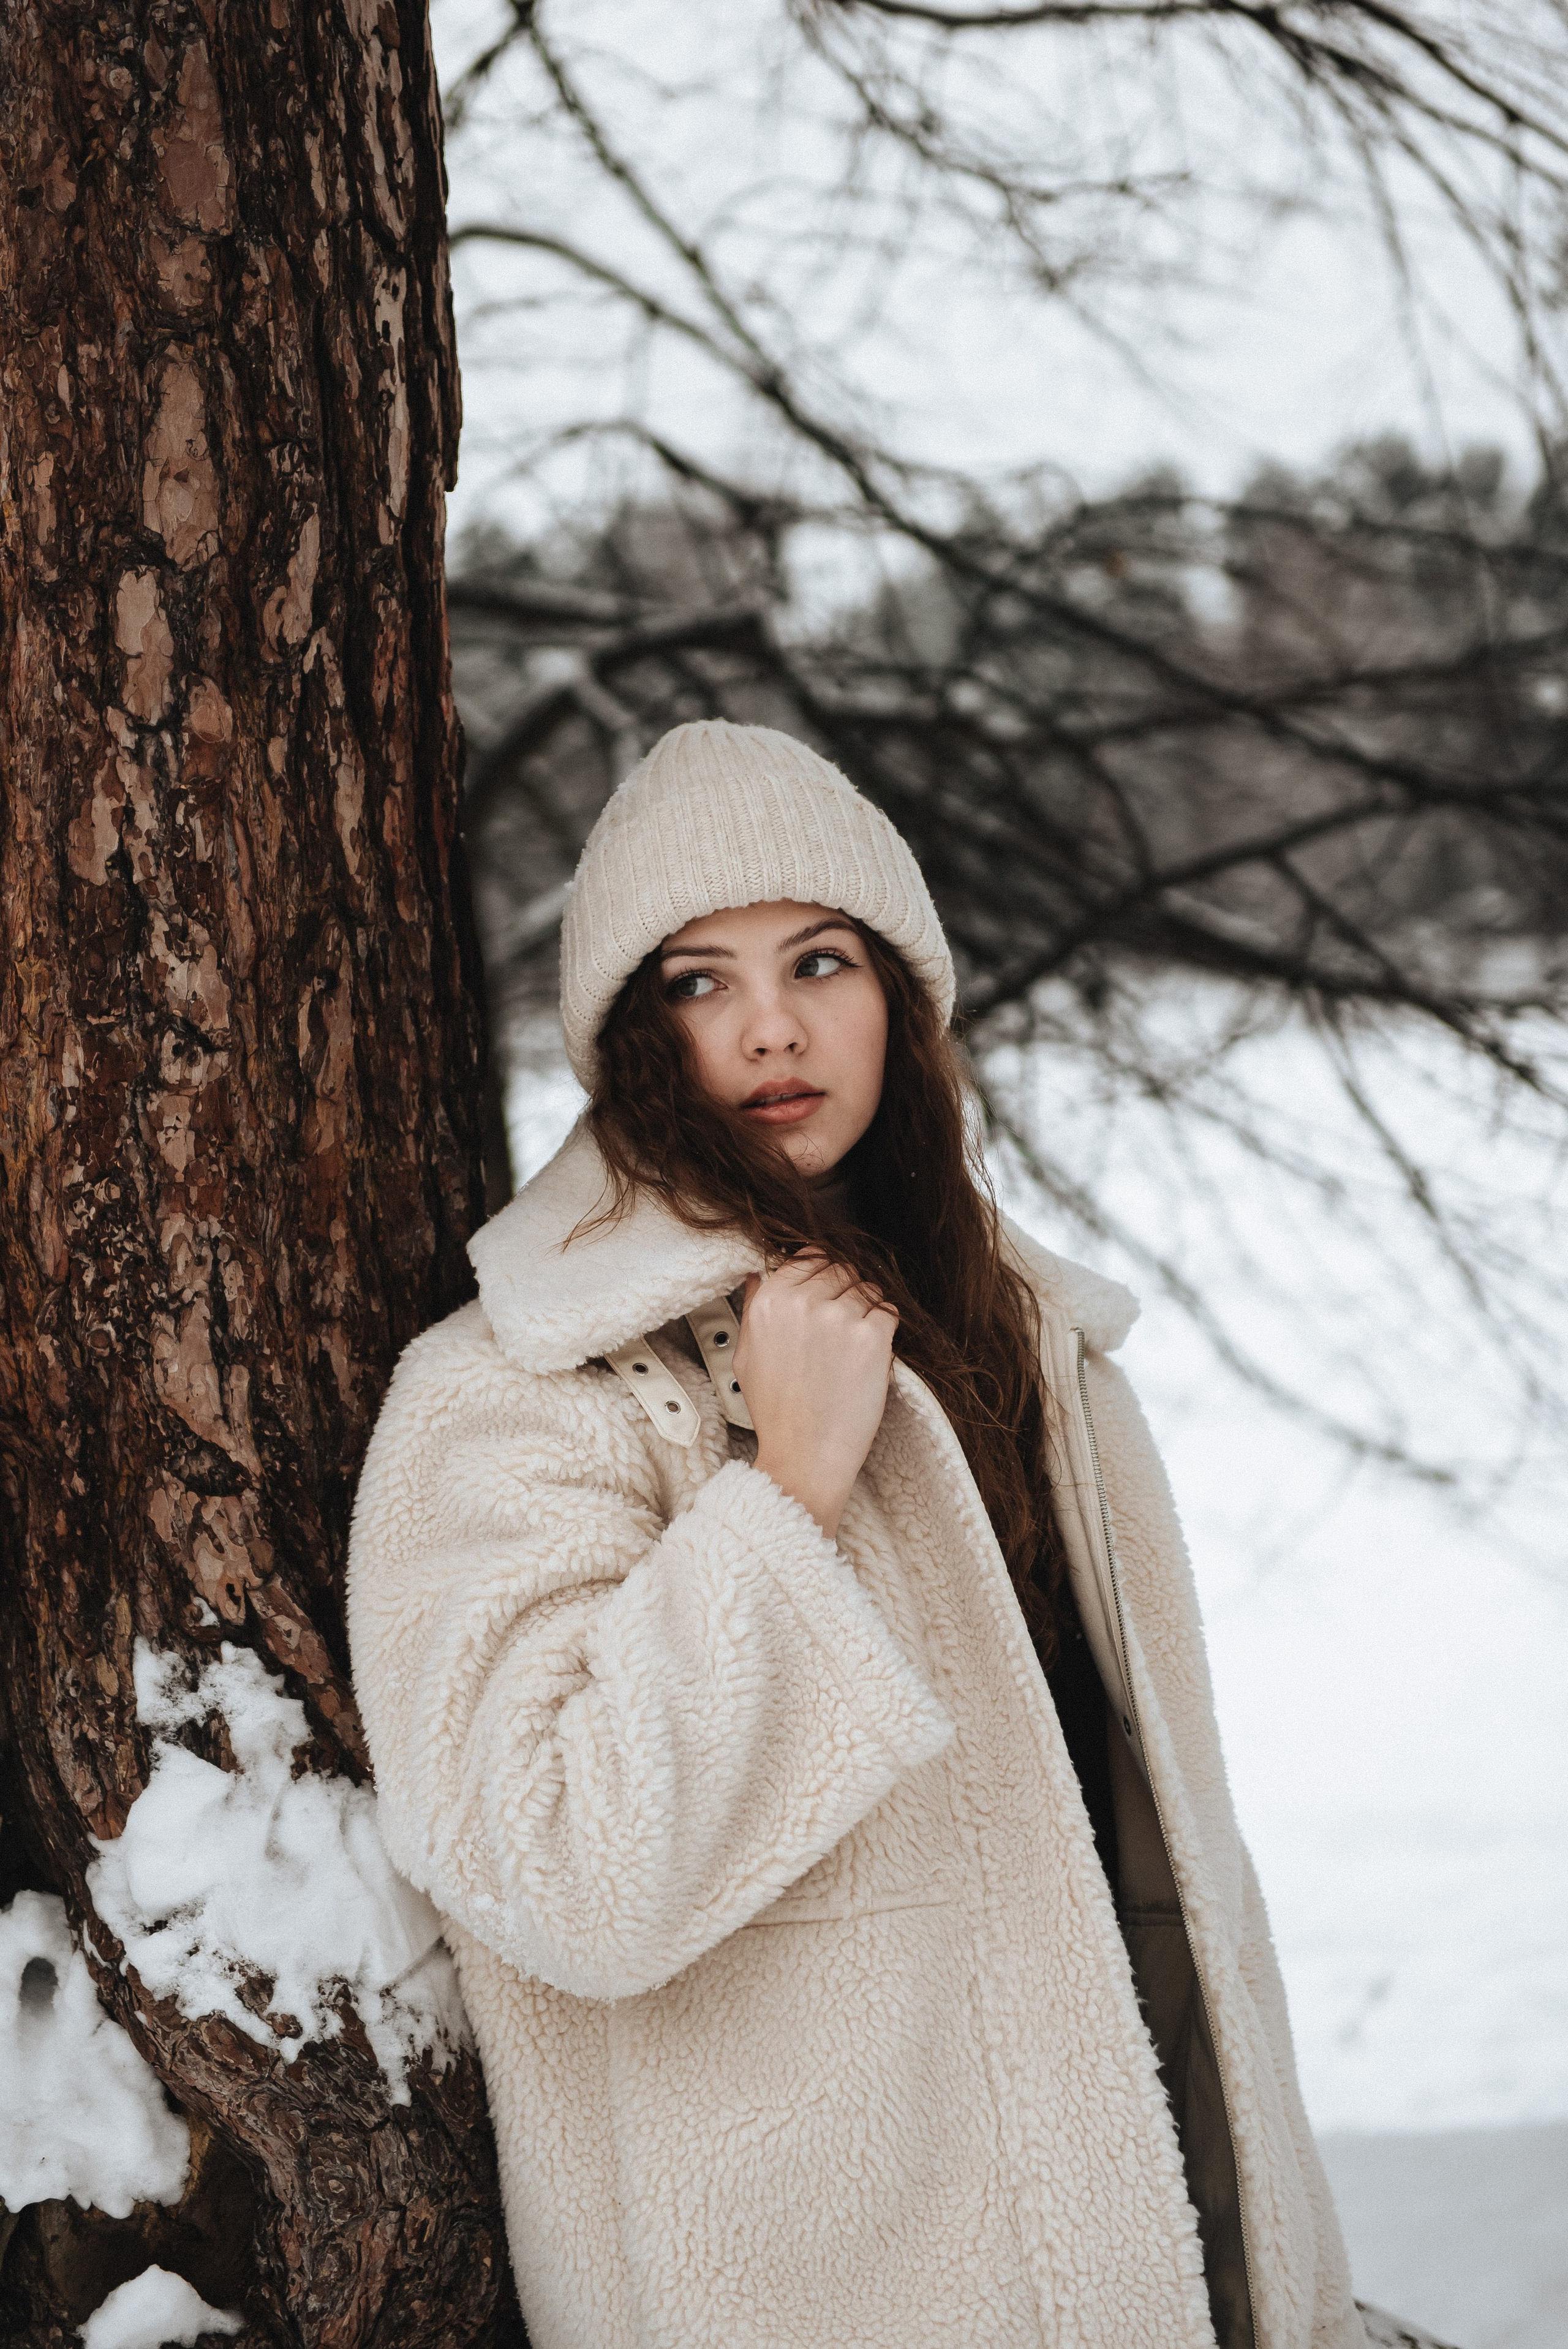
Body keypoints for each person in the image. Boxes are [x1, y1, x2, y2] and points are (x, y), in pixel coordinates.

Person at [346, 720, 1362, 2349]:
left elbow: (1158, 1887)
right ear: (627, 1032)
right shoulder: (516, 1388)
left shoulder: (1031, 1351)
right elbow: (556, 1869)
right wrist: (782, 1500)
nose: (768, 1026)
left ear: (899, 994)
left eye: (818, 959)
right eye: (696, 980)